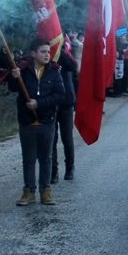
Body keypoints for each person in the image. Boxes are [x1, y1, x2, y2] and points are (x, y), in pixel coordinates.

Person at [0, 38, 68, 206]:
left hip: (46, 121)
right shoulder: (23, 71)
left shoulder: (54, 71)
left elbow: (60, 95)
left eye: (48, 52)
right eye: (43, 52)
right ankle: (28, 191)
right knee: (28, 159)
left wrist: (39, 103)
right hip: (27, 122)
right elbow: (14, 89)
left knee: (46, 158)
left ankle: (46, 191)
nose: (47, 55)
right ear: (33, 53)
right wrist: (15, 78)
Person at [51, 39, 78, 184]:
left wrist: (59, 52)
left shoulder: (64, 55)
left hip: (66, 102)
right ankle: (53, 171)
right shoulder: (45, 56)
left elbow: (73, 65)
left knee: (67, 138)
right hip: (50, 103)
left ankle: (69, 168)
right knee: (52, 139)